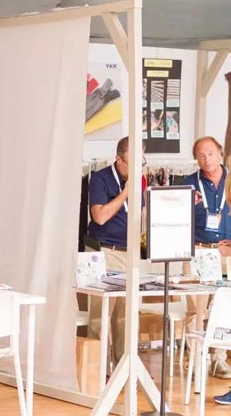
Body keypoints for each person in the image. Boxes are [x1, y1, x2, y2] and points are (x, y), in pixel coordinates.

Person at [85, 136, 144, 367]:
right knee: (100, 315)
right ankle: (95, 370)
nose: (137, 168)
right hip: (104, 252)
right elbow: (99, 217)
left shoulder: (139, 180)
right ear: (118, 159)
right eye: (132, 163)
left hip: (130, 253)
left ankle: (124, 368)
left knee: (125, 317)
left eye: (141, 161)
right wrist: (125, 193)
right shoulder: (100, 179)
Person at [182, 136, 231, 380]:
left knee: (224, 307)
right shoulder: (189, 184)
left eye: (211, 153)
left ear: (220, 153)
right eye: (201, 155)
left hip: (226, 253)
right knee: (196, 309)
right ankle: (197, 359)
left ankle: (219, 359)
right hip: (198, 250)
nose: (206, 159)